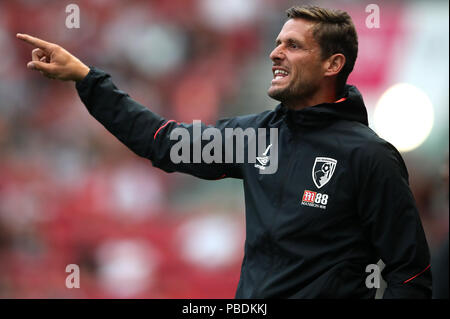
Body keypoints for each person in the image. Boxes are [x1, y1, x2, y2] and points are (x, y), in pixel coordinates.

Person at [16, 5, 432, 298]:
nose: (275, 52)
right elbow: (163, 141)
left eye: (293, 45)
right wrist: (88, 79)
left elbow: (411, 274)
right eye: (277, 42)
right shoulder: (254, 138)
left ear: (332, 64)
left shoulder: (370, 157)